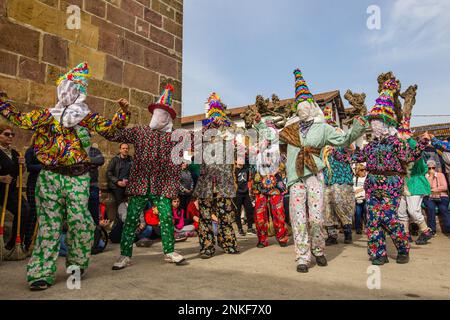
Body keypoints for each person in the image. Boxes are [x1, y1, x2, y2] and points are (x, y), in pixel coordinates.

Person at [0, 62, 130, 290]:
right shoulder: (46, 115)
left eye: (74, 89)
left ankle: (77, 263)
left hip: (77, 177)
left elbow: (110, 130)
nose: (69, 92)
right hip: (49, 177)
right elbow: (20, 119)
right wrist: (2, 103)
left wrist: (123, 113)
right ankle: (40, 273)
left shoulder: (84, 116)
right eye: (66, 88)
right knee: (49, 226)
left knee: (81, 222)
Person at [279, 69, 367, 273]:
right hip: (294, 177)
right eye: (298, 106)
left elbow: (343, 141)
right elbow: (276, 143)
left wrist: (356, 128)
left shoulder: (324, 128)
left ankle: (318, 250)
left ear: (312, 107)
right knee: (297, 217)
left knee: (316, 217)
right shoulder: (289, 130)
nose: (301, 109)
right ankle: (302, 256)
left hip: (314, 175)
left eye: (304, 105)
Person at [107, 84, 187, 270]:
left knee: (166, 217)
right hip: (140, 184)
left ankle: (169, 251)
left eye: (163, 115)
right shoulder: (140, 131)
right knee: (132, 218)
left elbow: (190, 145)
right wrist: (123, 113)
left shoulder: (173, 137)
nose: (159, 118)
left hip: (161, 186)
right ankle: (125, 255)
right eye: (157, 114)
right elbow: (113, 134)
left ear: (168, 118)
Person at [353, 78, 430, 266]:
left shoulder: (396, 142)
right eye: (374, 122)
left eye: (378, 121)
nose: (375, 125)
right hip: (372, 183)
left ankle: (403, 249)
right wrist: (334, 153)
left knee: (388, 217)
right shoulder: (370, 145)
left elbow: (410, 156)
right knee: (372, 219)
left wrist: (422, 143)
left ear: (386, 124)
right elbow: (357, 157)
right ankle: (378, 253)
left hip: (391, 183)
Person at [193, 93, 239, 259]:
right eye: (213, 119)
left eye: (219, 119)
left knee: (225, 214)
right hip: (206, 182)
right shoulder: (202, 135)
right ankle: (207, 247)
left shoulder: (229, 134)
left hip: (224, 182)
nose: (217, 121)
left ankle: (228, 243)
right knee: (205, 216)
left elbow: (236, 133)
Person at [397, 139, 433, 245]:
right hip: (402, 183)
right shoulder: (399, 157)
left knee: (413, 210)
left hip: (415, 183)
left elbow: (422, 168)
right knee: (401, 211)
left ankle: (426, 231)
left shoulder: (418, 159)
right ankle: (406, 234)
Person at [0, 124, 29, 251]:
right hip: (0, 189)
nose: (10, 137)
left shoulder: (15, 153)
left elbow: (19, 172)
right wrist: (0, 178)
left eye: (12, 134)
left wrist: (22, 165)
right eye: (6, 134)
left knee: (25, 210)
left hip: (10, 191)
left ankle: (14, 244)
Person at [323, 142, 356, 245]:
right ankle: (332, 235)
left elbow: (352, 148)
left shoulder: (341, 145)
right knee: (327, 208)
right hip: (326, 181)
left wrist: (342, 139)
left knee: (342, 205)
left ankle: (347, 232)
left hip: (342, 180)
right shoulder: (322, 147)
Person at [424, 159, 450, 235]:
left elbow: (444, 187)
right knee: (431, 208)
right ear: (427, 169)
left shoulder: (440, 175)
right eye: (429, 168)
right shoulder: (425, 177)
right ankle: (432, 230)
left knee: (443, 208)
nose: (432, 170)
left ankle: (448, 228)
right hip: (429, 197)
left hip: (442, 196)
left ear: (435, 168)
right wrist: (431, 176)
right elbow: (427, 188)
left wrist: (432, 190)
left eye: (433, 168)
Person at [25, 136, 41, 251]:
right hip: (33, 184)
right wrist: (44, 167)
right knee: (33, 212)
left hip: (45, 184)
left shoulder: (47, 151)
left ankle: (38, 242)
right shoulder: (30, 151)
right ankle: (28, 242)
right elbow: (29, 167)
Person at [107, 143, 132, 212]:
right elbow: (109, 173)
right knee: (120, 205)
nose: (125, 150)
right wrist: (117, 181)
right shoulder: (115, 160)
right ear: (120, 150)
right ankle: (119, 222)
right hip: (117, 186)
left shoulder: (131, 160)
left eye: (127, 148)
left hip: (128, 186)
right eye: (123, 148)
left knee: (129, 205)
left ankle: (127, 221)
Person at [234, 157, 255, 236]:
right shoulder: (234, 170)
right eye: (239, 159)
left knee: (249, 210)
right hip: (238, 194)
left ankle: (250, 228)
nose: (241, 161)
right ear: (236, 161)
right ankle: (240, 228)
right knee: (237, 212)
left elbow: (249, 179)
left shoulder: (246, 169)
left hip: (246, 193)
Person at [88, 142, 105, 226]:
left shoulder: (95, 151)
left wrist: (87, 161)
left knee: (95, 211)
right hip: (78, 187)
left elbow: (101, 160)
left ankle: (96, 236)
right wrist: (92, 164)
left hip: (93, 186)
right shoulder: (75, 150)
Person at [353, 164, 367, 234]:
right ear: (358, 171)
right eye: (362, 170)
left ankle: (367, 227)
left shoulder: (366, 178)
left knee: (366, 213)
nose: (364, 171)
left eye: (365, 170)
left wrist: (360, 189)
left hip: (365, 198)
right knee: (358, 214)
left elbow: (367, 187)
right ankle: (358, 228)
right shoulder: (355, 179)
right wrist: (359, 189)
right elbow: (353, 188)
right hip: (357, 198)